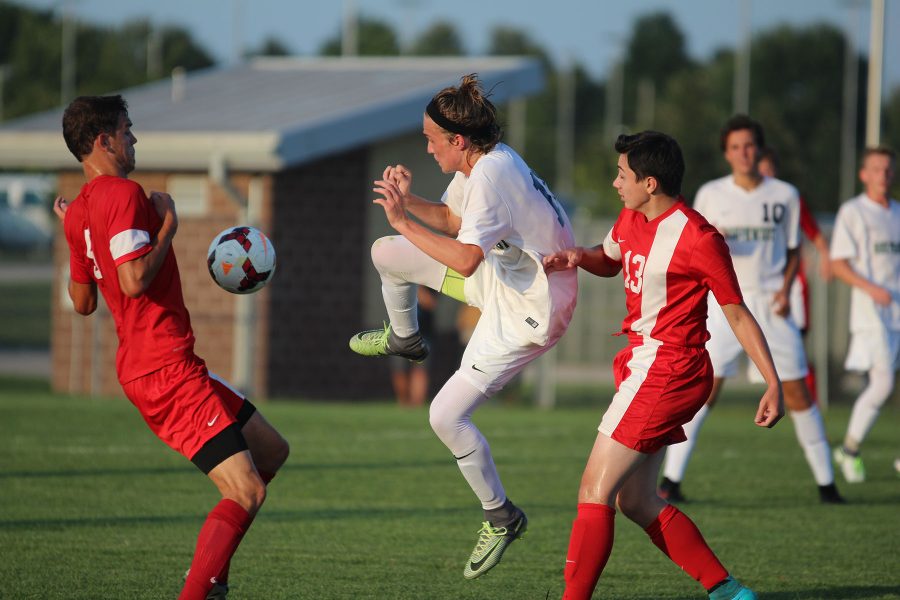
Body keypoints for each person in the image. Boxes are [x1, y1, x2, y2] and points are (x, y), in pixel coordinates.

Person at [54, 95, 289, 600]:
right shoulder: (121, 194)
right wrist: (169, 227)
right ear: (104, 141)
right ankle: (200, 590)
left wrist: (73, 233)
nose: (133, 139)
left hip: (161, 365)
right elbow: (135, 279)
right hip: (164, 369)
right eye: (127, 129)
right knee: (247, 490)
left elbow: (82, 303)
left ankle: (212, 576)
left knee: (271, 449)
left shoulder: (78, 212)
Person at [348, 73, 578, 579]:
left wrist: (405, 221)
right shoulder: (481, 164)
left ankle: (501, 517)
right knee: (386, 253)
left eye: (431, 139)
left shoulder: (493, 175)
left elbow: (468, 258)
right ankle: (406, 337)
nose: (426, 148)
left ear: (458, 140)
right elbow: (454, 221)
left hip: (531, 309)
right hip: (502, 278)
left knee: (445, 417)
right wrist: (404, 206)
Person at [544, 131, 782, 600]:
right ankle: (729, 591)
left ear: (650, 183)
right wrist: (578, 256)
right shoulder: (631, 216)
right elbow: (610, 260)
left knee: (594, 488)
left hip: (669, 369)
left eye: (622, 175)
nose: (615, 183)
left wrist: (771, 382)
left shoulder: (698, 237)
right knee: (634, 500)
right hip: (648, 364)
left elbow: (736, 311)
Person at [658, 115, 843, 504]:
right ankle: (670, 481)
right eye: (736, 147)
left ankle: (827, 485)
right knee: (703, 391)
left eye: (749, 146)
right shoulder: (711, 194)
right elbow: (693, 247)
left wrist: (786, 289)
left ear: (759, 150)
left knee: (796, 394)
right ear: (726, 154)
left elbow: (794, 250)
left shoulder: (784, 195)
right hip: (725, 304)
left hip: (771, 305)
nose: (744, 153)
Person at [830, 146, 900, 483]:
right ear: (864, 175)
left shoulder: (897, 213)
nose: (883, 175)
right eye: (876, 169)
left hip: (897, 311)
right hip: (872, 314)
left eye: (888, 169)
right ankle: (850, 449)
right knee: (883, 383)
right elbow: (838, 264)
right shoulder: (853, 212)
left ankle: (851, 450)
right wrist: (871, 288)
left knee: (885, 384)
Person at [757, 146, 831, 402]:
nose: (766, 172)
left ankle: (808, 400)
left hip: (788, 286)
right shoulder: (740, 199)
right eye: (761, 167)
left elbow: (812, 231)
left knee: (796, 346)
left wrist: (825, 258)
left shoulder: (787, 197)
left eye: (769, 167)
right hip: (749, 290)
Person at [389, 286, 437, 407]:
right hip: (400, 332)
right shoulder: (397, 282)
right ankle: (404, 402)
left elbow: (429, 303)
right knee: (399, 369)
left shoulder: (428, 283)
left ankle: (416, 403)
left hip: (423, 333)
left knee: (420, 370)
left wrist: (417, 287)